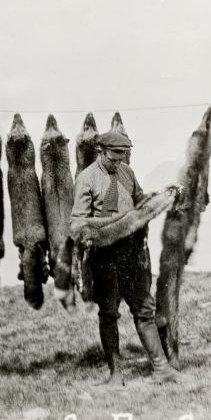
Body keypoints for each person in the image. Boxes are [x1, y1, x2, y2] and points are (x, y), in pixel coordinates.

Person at [70, 130, 180, 385]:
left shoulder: (127, 173)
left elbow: (139, 202)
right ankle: (116, 374)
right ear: (101, 151)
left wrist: (161, 197)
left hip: (132, 253)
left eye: (123, 155)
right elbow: (77, 223)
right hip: (104, 256)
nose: (119, 160)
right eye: (114, 156)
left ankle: (161, 368)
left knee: (144, 309)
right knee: (109, 313)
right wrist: (110, 226)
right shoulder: (86, 179)